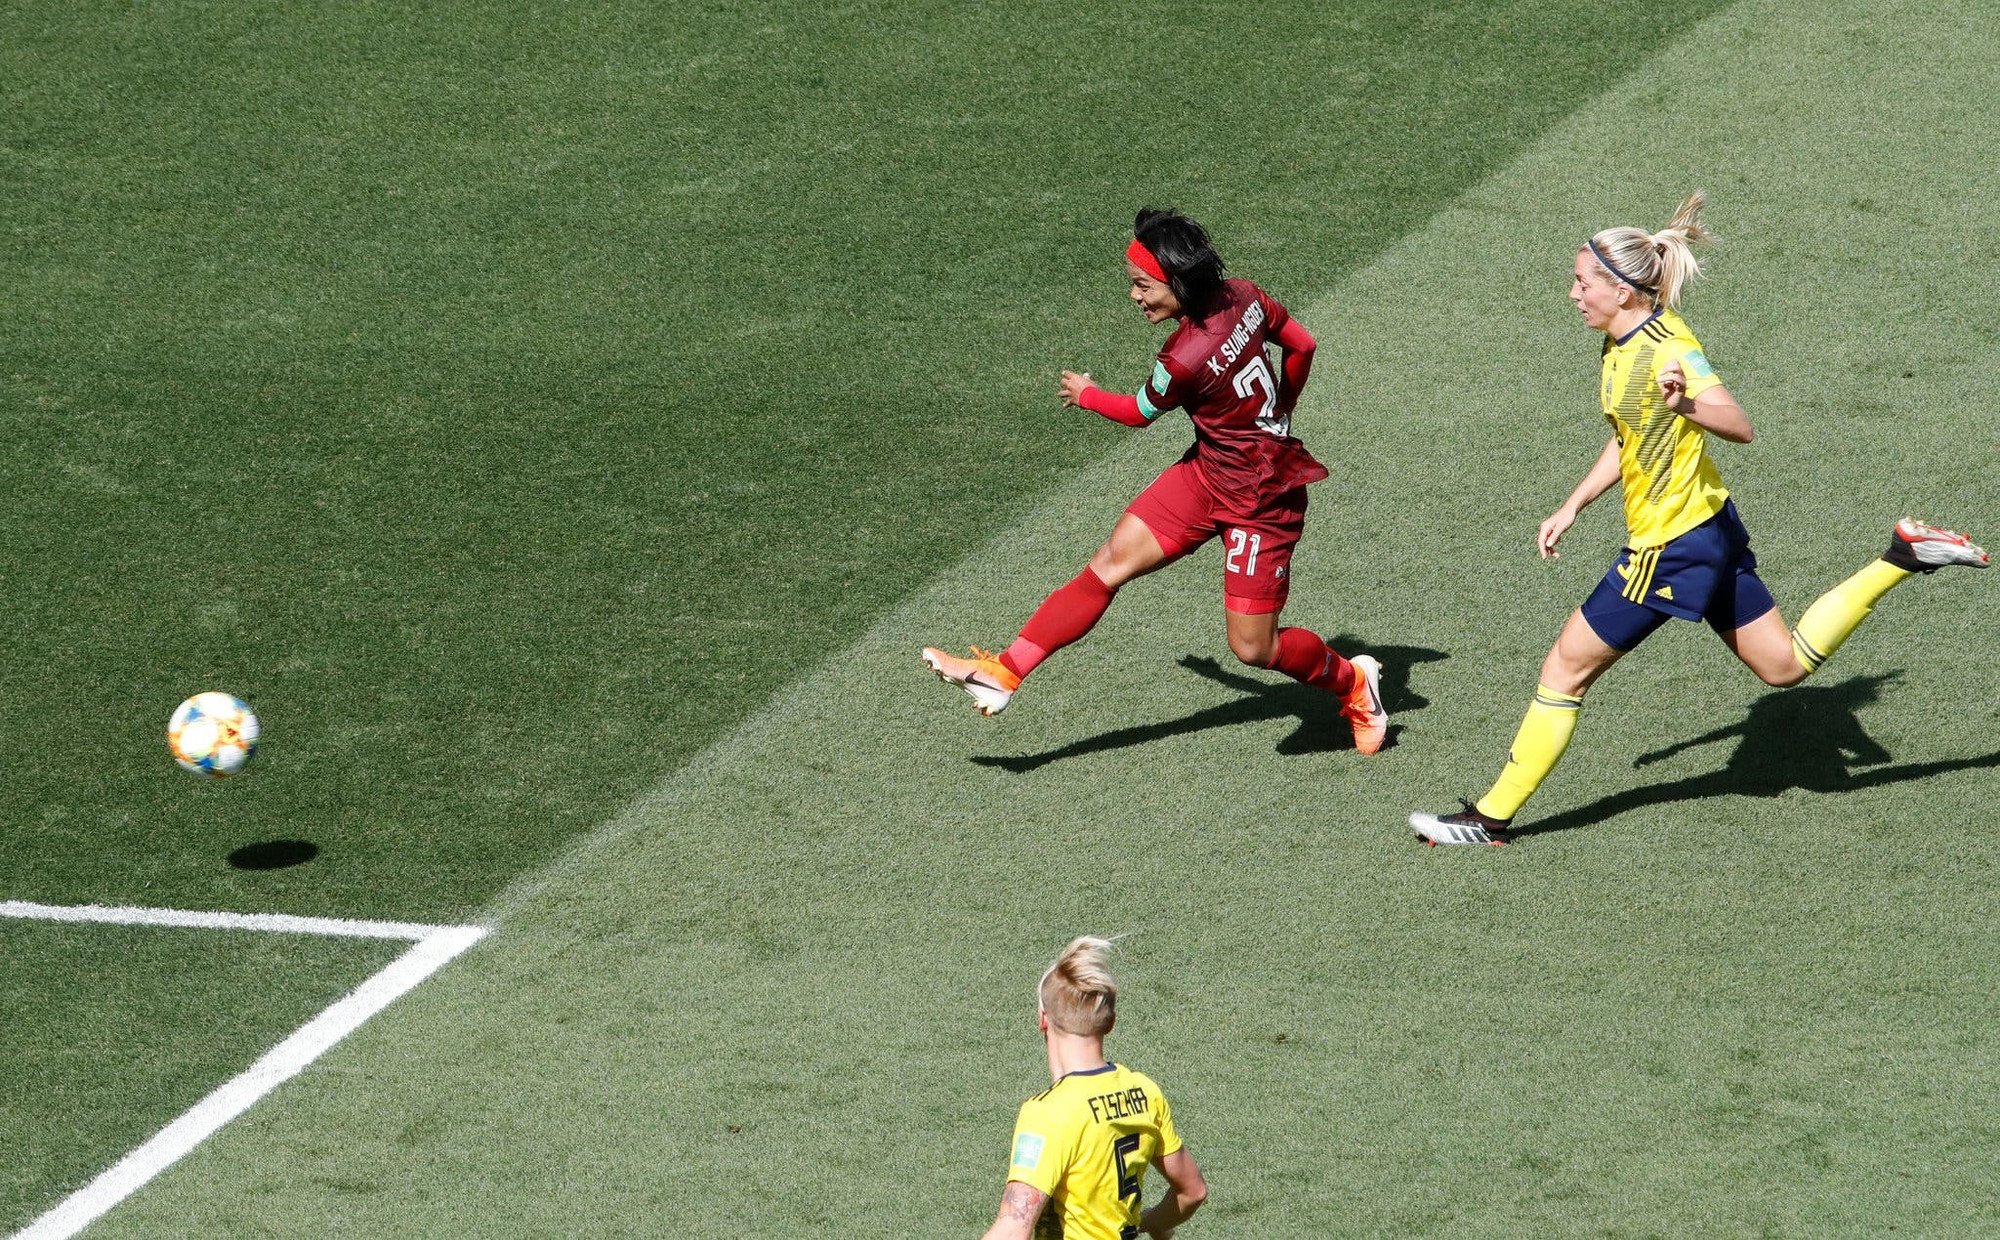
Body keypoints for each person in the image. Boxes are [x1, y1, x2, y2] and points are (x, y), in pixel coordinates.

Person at [1410, 192, 1988, 846]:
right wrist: (1574, 504)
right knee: (1784, 668)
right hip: (1706, 529)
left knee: (1563, 671)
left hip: (1671, 546)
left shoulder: (1668, 348)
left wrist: (1687, 405)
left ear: (1623, 292)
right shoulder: (1617, 342)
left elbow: (1739, 426)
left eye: (1582, 282)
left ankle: (1489, 819)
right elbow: (1631, 434)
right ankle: (1902, 556)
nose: (1572, 293)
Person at [923, 208, 1389, 754]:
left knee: (1254, 648)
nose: (1135, 296)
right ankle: (1005, 671)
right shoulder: (1245, 295)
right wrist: (1280, 409)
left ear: (1179, 283)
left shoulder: (1183, 358)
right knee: (1109, 564)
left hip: (1263, 500)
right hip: (1208, 474)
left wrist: (1086, 394)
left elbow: (1139, 412)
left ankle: (1355, 683)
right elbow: (1303, 346)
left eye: (1143, 285)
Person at [978, 937, 1206, 1240]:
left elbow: (1014, 1227)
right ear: (1109, 1023)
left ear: (1043, 1019)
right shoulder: (1144, 1092)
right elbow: (1193, 1191)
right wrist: (1150, 1221)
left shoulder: (1048, 1113)